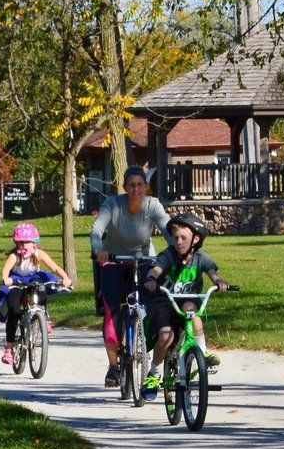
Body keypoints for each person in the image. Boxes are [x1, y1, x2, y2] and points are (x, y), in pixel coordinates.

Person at [91, 165, 171, 388]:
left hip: (143, 258)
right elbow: (97, 230)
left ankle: (152, 340)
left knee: (155, 298)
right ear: (125, 187)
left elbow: (166, 228)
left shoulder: (152, 205)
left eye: (140, 185)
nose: (136, 189)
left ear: (146, 187)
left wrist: (177, 250)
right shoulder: (112, 205)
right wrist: (99, 250)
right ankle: (113, 367)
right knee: (112, 310)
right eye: (131, 185)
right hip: (113, 259)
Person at [141, 212, 229, 401]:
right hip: (165, 301)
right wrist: (151, 279)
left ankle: (201, 352)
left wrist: (219, 281)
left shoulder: (201, 258)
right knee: (166, 335)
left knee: (192, 309)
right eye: (176, 238)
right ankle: (154, 374)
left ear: (195, 239)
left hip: (187, 300)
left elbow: (212, 273)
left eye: (184, 238)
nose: (179, 242)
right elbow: (156, 269)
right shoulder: (168, 255)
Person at [0, 222, 73, 366]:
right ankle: (9, 346)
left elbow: (55, 267)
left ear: (34, 243)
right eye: (20, 242)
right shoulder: (15, 256)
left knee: (41, 287)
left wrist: (65, 278)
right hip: (16, 282)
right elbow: (6, 270)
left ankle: (43, 316)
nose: (23, 245)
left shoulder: (39, 254)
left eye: (27, 242)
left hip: (33, 279)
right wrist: (6, 278)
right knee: (14, 310)